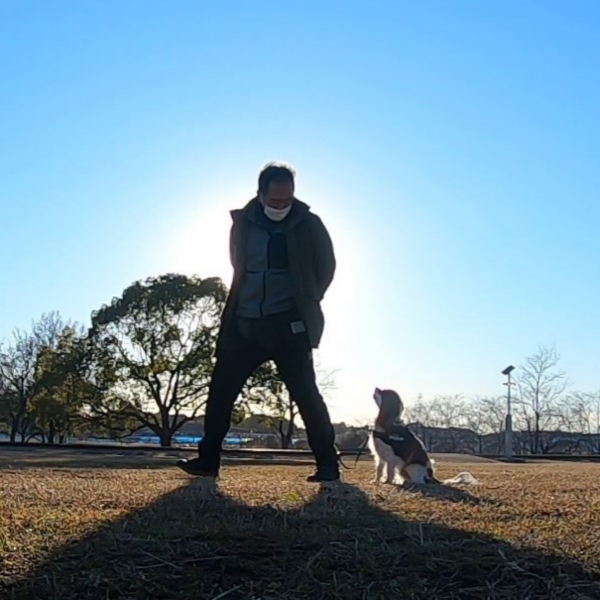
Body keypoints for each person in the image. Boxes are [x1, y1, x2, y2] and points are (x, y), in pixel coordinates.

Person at [177, 161, 340, 482]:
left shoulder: (310, 224)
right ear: (261, 194)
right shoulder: (242, 224)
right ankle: (207, 460)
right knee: (220, 392)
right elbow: (237, 264)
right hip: (244, 323)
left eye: (287, 200)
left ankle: (328, 466)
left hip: (288, 326)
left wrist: (306, 301)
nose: (281, 206)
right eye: (275, 200)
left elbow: (327, 267)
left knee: (307, 395)